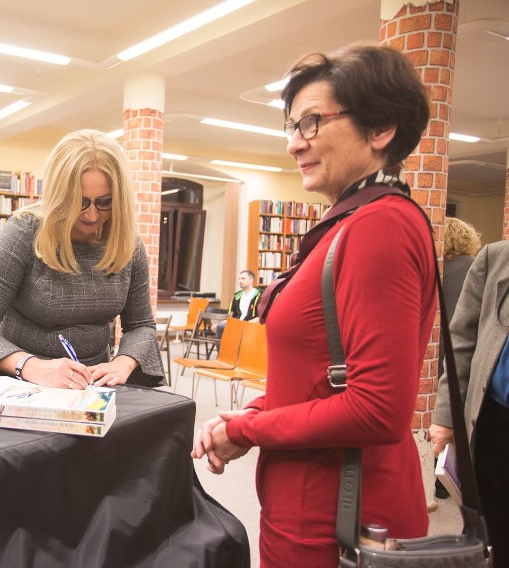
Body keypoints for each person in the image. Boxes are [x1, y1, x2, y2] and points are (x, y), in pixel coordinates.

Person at [191, 45, 435, 567]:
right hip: (314, 502)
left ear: (381, 128)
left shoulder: (379, 228)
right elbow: (322, 378)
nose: (294, 143)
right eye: (290, 127)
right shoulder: (352, 223)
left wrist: (245, 429)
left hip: (337, 517)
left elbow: (376, 410)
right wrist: (256, 409)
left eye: (311, 123)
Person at [0, 129, 164, 389]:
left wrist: (123, 362)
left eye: (104, 202)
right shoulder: (24, 233)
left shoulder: (127, 243)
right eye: (79, 202)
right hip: (19, 382)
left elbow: (141, 326)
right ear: (59, 195)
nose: (92, 216)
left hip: (93, 387)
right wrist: (31, 366)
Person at [430, 241, 509, 567]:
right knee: (493, 535)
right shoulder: (496, 258)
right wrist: (446, 416)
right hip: (494, 424)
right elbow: (461, 340)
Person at [434, 217, 481, 499]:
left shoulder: (436, 271)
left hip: (436, 349)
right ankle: (452, 478)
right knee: (461, 414)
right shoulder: (475, 267)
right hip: (465, 352)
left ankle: (437, 479)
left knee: (438, 416)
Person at [214, 270, 262, 340]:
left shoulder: (259, 295)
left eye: (243, 278)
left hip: (251, 325)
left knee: (223, 328)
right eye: (239, 279)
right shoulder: (237, 296)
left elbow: (261, 317)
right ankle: (222, 351)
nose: (240, 281)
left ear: (251, 280)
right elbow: (231, 315)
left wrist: (245, 324)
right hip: (237, 323)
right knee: (220, 327)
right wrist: (222, 323)